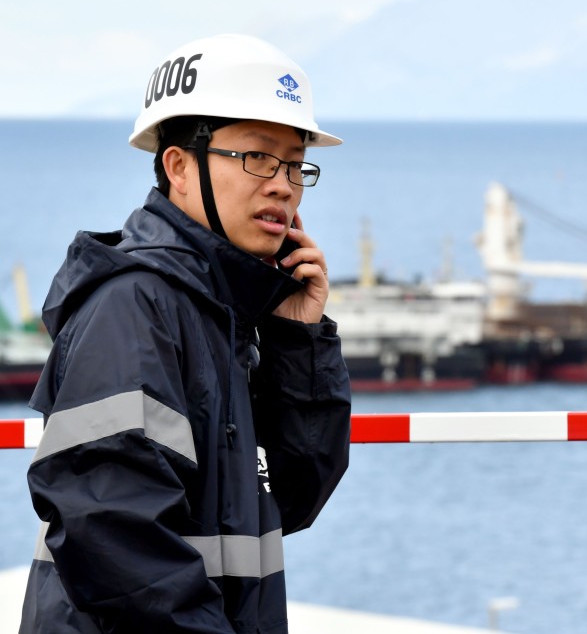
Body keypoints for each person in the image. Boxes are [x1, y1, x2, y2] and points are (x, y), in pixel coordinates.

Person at [20, 34, 352, 633]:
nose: (282, 184)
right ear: (179, 166)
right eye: (257, 157)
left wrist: (297, 340)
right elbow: (118, 542)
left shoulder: (225, 313)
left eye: (295, 163)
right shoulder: (134, 308)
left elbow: (297, 497)